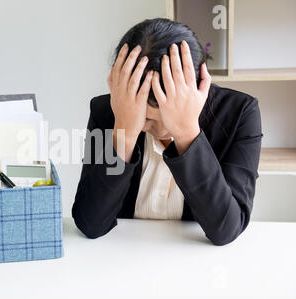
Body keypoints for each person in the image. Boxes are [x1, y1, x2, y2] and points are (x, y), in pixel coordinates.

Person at [71, 18, 263, 246]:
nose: (155, 127)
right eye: (144, 118)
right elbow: (90, 223)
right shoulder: (108, 111)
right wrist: (124, 132)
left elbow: (226, 230)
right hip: (121, 259)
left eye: (166, 116)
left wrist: (186, 133)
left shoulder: (240, 114)